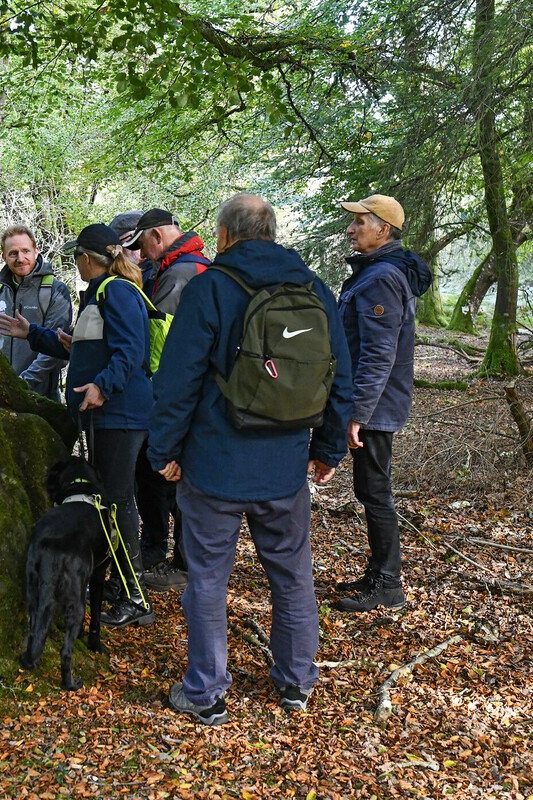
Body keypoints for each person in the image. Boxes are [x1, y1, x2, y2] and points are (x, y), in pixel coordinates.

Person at [147, 194, 352, 724]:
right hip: (285, 465)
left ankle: (207, 691)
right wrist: (328, 448)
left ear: (224, 236)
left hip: (215, 464)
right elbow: (338, 375)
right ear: (273, 232)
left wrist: (164, 450)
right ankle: (296, 682)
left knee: (209, 578)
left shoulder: (210, 288)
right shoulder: (315, 289)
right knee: (291, 575)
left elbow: (178, 380)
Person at [0, 223, 155, 628]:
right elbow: (78, 348)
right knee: (111, 499)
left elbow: (131, 351)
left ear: (87, 258)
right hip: (103, 414)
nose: (75, 264)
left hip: (118, 415)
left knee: (117, 500)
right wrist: (32, 333)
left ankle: (134, 595)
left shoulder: (116, 291)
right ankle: (119, 584)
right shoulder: (100, 293)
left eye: (76, 257)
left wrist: (102, 387)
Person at [334, 194, 432, 612]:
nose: (352, 229)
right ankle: (379, 572)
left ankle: (388, 583)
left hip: (375, 403)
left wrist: (359, 413)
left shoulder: (380, 278)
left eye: (360, 221)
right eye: (353, 221)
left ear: (383, 230)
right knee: (370, 488)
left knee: (374, 490)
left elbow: (379, 353)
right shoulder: (374, 272)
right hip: (374, 401)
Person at [123, 209, 212, 592]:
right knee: (164, 476)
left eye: (141, 245)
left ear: (157, 236)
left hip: (184, 395)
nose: (140, 255)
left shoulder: (180, 274)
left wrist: (155, 393)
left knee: (176, 477)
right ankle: (169, 554)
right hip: (192, 393)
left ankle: (185, 564)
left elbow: (163, 344)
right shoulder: (183, 267)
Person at [0, 226, 73, 400]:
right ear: (3, 256)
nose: (20, 258)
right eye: (13, 253)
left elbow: (55, 345)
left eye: (25, 251)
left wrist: (24, 383)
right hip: (1, 392)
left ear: (36, 251)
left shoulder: (55, 290)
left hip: (41, 395)